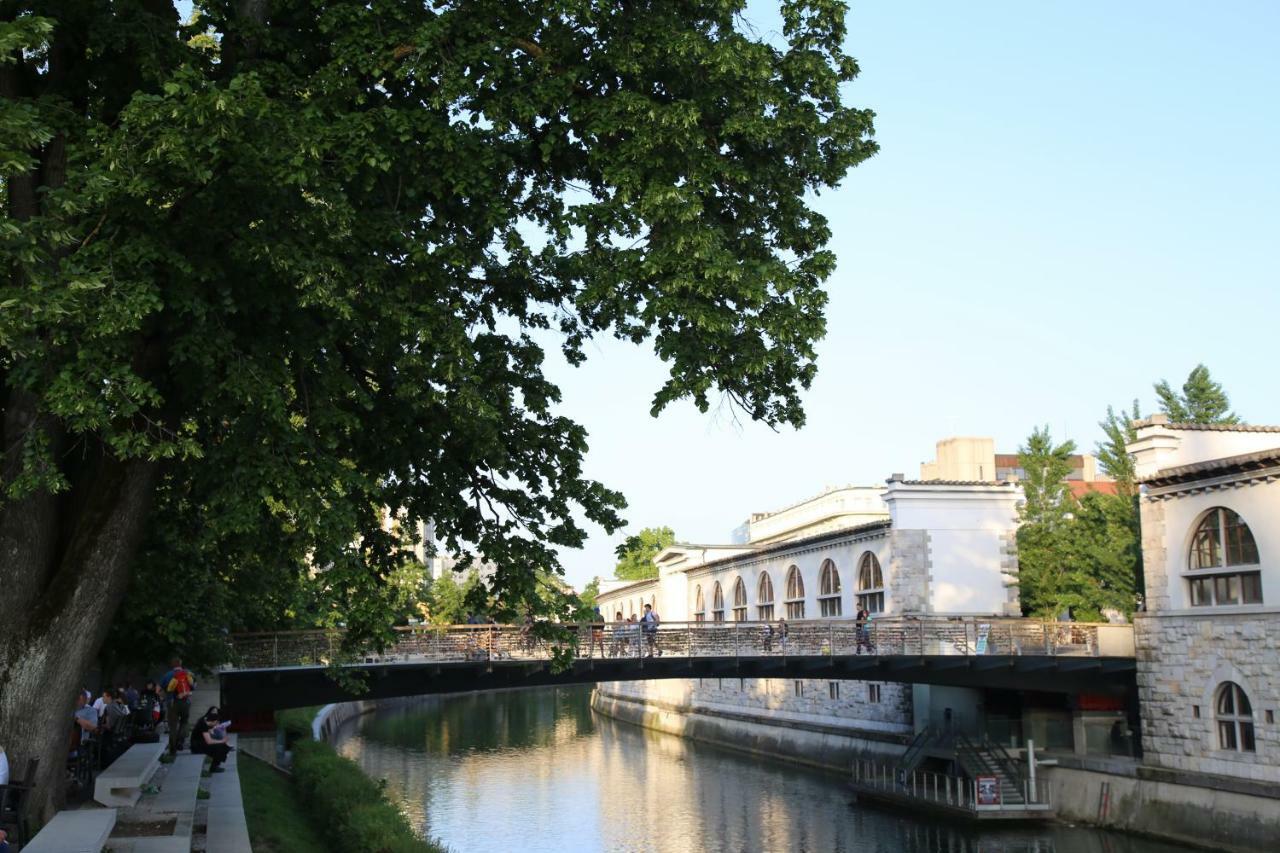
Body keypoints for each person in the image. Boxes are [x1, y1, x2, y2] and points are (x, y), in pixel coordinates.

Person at [161, 658, 195, 757]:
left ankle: (173, 750)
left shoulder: (167, 675)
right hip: (185, 702)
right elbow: (193, 687)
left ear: (172, 664)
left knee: (173, 727)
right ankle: (180, 740)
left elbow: (160, 688)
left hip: (172, 703)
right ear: (181, 664)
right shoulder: (188, 673)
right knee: (184, 721)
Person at [190, 708, 231, 772]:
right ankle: (213, 768)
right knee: (220, 747)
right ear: (214, 721)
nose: (216, 724)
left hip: (200, 743)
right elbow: (209, 741)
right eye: (216, 723)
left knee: (224, 747)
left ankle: (215, 766)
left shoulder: (205, 722)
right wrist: (222, 741)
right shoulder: (203, 725)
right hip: (196, 746)